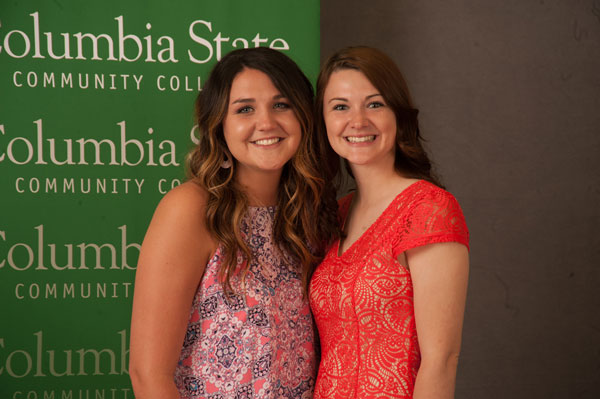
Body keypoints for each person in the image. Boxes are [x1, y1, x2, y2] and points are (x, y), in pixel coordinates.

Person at [129, 47, 338, 399]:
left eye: (281, 104)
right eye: (244, 109)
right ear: (219, 127)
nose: (267, 122)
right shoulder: (192, 209)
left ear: (304, 115)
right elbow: (148, 375)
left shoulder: (310, 216)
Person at [309, 46, 470, 399]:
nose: (358, 121)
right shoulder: (335, 214)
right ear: (323, 122)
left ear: (398, 114)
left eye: (375, 103)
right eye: (340, 107)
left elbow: (441, 360)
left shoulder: (428, 209)